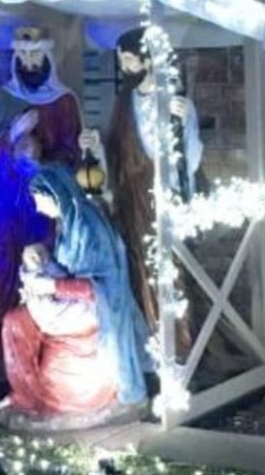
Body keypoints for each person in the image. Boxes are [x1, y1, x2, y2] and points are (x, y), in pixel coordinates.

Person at [0, 162, 148, 426]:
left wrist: (51, 287)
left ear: (57, 195)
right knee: (14, 322)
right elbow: (62, 265)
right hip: (69, 300)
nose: (37, 207)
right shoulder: (67, 224)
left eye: (39, 200)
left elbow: (100, 286)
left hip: (97, 308)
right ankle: (26, 394)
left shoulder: (88, 228)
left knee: (29, 318)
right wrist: (40, 261)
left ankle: (50, 397)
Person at [81, 26, 203, 333]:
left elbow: (191, 157)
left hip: (161, 196)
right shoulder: (125, 100)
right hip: (129, 196)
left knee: (167, 269)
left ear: (148, 61)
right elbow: (116, 148)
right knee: (134, 266)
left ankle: (177, 337)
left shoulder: (172, 100)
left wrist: (187, 121)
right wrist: (97, 146)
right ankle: (145, 335)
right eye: (121, 61)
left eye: (129, 60)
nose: (124, 68)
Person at [0, 26, 83, 341]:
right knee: (5, 262)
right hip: (8, 202)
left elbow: (72, 154)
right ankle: (1, 336)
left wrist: (43, 163)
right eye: (22, 54)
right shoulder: (5, 100)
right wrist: (10, 138)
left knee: (43, 259)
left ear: (46, 55)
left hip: (44, 202)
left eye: (34, 53)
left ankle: (44, 337)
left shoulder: (64, 102)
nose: (28, 61)